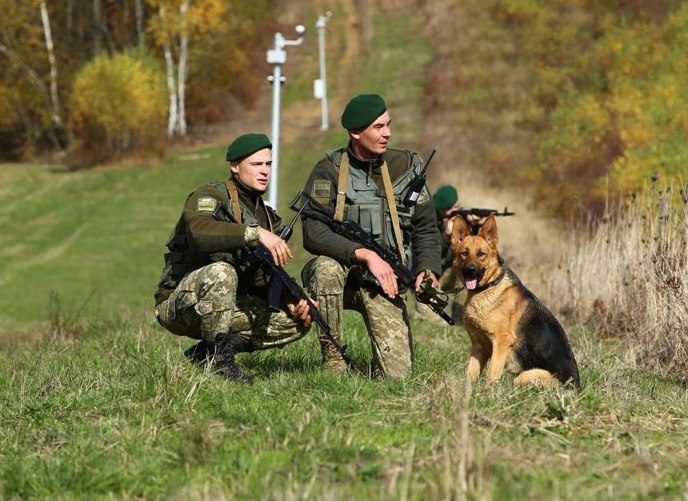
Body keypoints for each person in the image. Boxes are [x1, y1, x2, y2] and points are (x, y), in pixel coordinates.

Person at [300, 93, 442, 378]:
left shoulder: (406, 166)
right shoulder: (328, 171)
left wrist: (427, 269)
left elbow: (427, 227)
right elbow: (313, 232)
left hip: (384, 284)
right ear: (355, 132)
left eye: (388, 124)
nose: (387, 133)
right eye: (378, 127)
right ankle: (334, 358)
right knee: (326, 268)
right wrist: (364, 254)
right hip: (343, 279)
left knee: (397, 377)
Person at [154, 133, 313, 383]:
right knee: (221, 271)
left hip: (226, 307)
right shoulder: (209, 197)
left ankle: (206, 353)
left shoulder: (269, 218)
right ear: (235, 166)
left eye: (268, 164)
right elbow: (200, 232)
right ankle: (220, 363)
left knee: (296, 322)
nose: (264, 171)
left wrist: (291, 300)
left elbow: (264, 276)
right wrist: (253, 233)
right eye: (256, 164)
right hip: (182, 304)